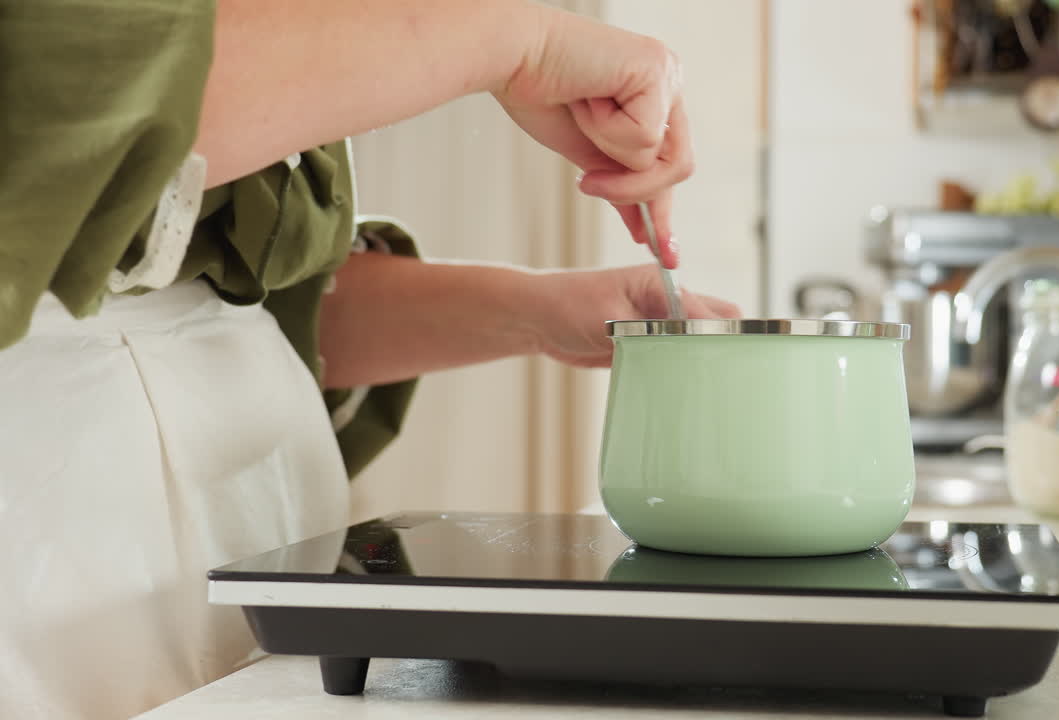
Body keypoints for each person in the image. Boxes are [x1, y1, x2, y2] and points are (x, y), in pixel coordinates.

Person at [0, 1, 740, 718]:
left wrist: (539, 313)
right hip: (45, 529)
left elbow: (243, 300)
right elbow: (80, 90)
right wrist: (518, 43)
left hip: (258, 525)